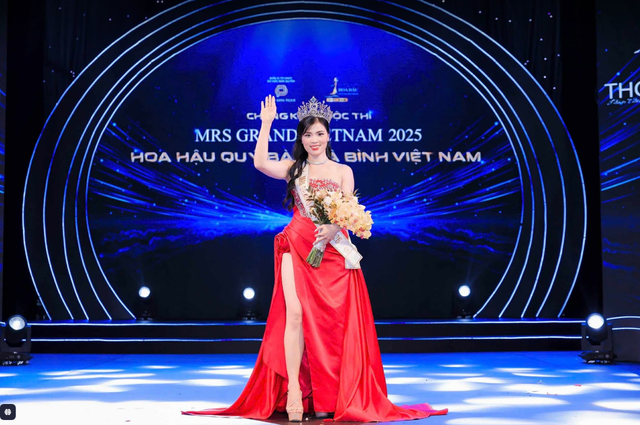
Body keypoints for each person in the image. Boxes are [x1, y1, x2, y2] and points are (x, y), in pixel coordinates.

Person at [183, 96, 448, 422]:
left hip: (333, 253)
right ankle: (295, 392)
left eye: (319, 134)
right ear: (301, 139)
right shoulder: (294, 169)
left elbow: (349, 211)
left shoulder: (343, 171)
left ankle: (328, 396)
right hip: (295, 245)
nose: (314, 140)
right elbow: (260, 163)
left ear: (328, 136)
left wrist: (333, 226)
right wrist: (266, 123)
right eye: (308, 135)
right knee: (294, 315)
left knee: (331, 326)